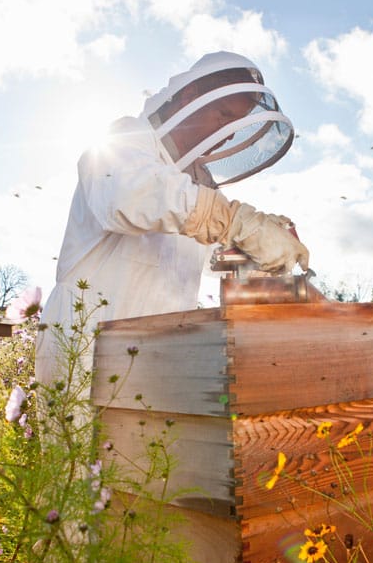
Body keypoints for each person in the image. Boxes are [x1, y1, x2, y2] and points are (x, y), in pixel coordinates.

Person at [35, 51, 308, 384]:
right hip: (85, 342)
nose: (229, 132)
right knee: (79, 437)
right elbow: (130, 196)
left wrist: (257, 251)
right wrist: (236, 221)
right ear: (191, 97)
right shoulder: (127, 138)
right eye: (223, 115)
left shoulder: (198, 182)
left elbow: (211, 256)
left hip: (161, 353)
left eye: (237, 124)